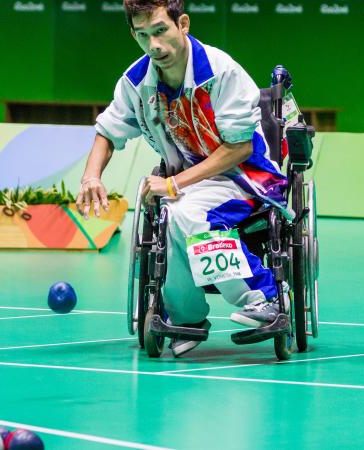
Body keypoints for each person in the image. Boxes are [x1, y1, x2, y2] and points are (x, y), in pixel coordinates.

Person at [75, 0, 288, 357]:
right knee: (172, 215)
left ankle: (265, 298)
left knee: (189, 213)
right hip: (189, 185)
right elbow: (108, 132)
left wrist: (175, 185)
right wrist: (90, 177)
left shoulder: (221, 73)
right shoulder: (137, 81)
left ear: (183, 24)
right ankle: (187, 319)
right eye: (142, 35)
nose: (153, 44)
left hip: (244, 177)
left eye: (160, 31)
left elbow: (238, 148)